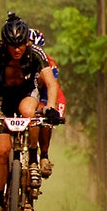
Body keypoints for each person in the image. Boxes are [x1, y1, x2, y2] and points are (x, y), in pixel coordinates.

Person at [0, 12, 61, 211]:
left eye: (21, 44)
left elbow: (51, 84)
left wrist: (50, 107)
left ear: (27, 42)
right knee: (2, 152)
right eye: (12, 44)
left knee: (30, 113)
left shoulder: (36, 53)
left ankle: (32, 159)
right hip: (4, 96)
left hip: (25, 94)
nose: (16, 49)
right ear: (4, 43)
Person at [29, 28, 67, 178]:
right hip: (26, 95)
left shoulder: (49, 62)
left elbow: (55, 88)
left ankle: (43, 155)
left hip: (45, 95)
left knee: (44, 119)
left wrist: (54, 111)